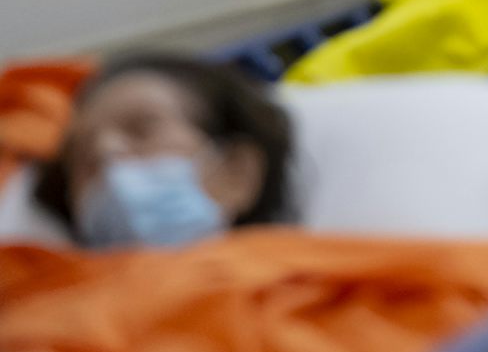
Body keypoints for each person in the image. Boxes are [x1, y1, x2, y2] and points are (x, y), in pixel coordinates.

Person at [31, 53, 295, 247]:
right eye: (83, 157)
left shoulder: (314, 290)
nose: (105, 152)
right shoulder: (33, 302)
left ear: (235, 171)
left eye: (142, 129)